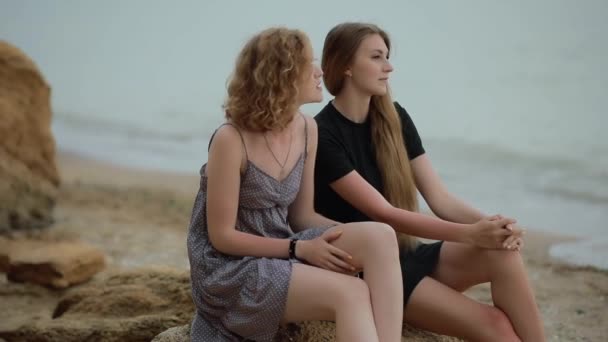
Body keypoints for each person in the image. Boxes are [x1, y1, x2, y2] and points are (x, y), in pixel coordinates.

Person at [314, 22, 545, 341]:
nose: (389, 67)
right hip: (372, 270)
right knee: (496, 326)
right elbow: (384, 213)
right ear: (347, 66)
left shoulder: (395, 118)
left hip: (407, 254)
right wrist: (471, 235)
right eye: (377, 57)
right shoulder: (322, 135)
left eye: (387, 56)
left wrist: (495, 227)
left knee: (503, 251)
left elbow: (440, 199)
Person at [187, 27, 404, 342]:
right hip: (232, 267)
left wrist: (351, 243)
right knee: (352, 292)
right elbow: (221, 238)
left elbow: (302, 217)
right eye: (309, 63)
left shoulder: (307, 128)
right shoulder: (230, 139)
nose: (319, 72)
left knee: (380, 235)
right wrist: (298, 248)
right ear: (282, 73)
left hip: (285, 243)